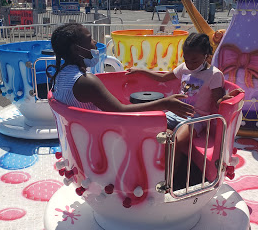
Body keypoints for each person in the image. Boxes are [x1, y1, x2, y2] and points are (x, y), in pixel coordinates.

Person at [126, 33, 243, 173]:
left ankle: (172, 176)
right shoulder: (184, 67)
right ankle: (152, 169)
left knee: (178, 141)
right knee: (148, 127)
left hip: (195, 118)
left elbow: (217, 102)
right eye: (186, 59)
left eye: (194, 61)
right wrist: (141, 71)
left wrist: (227, 97)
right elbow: (163, 78)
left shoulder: (214, 74)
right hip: (175, 112)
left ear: (206, 55)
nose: (189, 64)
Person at [47, 23, 195, 120]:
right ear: (76, 49)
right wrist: (165, 103)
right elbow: (121, 111)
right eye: (90, 39)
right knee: (168, 135)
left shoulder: (60, 75)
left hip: (78, 134)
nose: (94, 43)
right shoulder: (86, 82)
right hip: (99, 136)